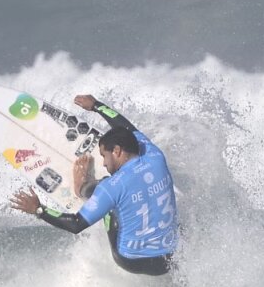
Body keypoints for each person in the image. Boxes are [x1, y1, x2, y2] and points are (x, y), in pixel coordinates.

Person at [10, 94, 178, 275]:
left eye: (104, 156)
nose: (104, 164)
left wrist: (38, 209)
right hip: (171, 257)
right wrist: (97, 106)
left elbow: (76, 224)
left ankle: (82, 187)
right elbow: (128, 128)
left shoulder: (112, 186)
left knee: (107, 194)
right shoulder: (155, 155)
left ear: (117, 150)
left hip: (132, 260)